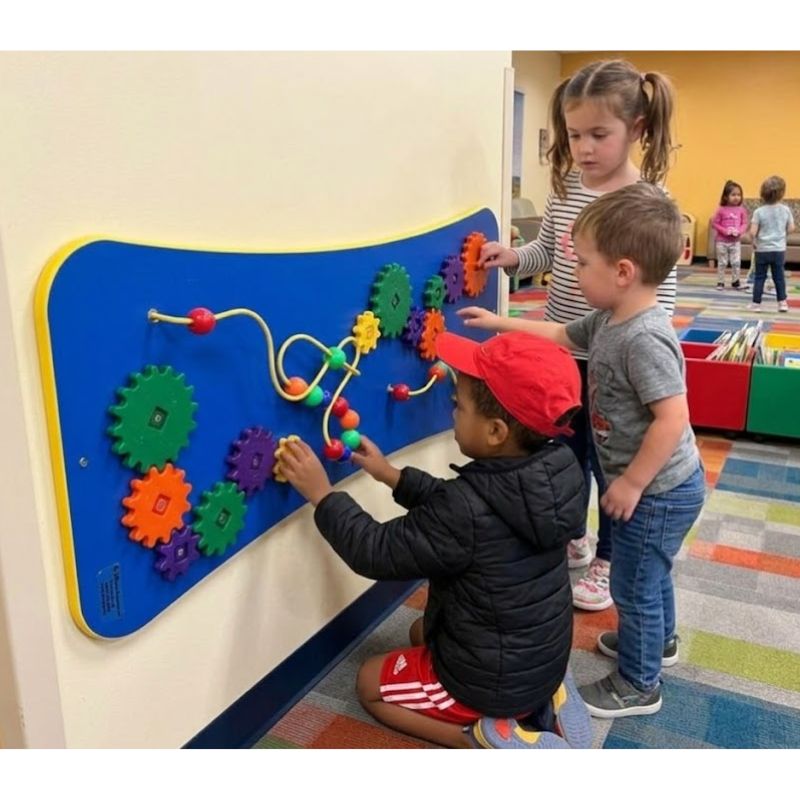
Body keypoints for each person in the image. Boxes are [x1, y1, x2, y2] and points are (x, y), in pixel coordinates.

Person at [459, 183, 705, 718]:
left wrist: (633, 481)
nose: (572, 273)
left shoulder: (644, 336)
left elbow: (674, 417)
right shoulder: (610, 319)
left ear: (622, 271)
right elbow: (559, 335)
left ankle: (640, 684)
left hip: (661, 487)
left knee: (633, 581)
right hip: (655, 483)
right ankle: (659, 643)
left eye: (583, 263)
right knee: (650, 571)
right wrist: (498, 324)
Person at [279, 331, 593, 748]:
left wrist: (321, 495)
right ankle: (540, 699)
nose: (452, 414)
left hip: (489, 682)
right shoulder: (554, 469)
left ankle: (483, 739)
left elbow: (375, 551)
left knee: (369, 682)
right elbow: (462, 509)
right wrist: (391, 475)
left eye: (457, 406)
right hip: (535, 655)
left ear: (497, 431)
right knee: (418, 630)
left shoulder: (468, 509)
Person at [478, 59, 678, 613]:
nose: (585, 147)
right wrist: (513, 257)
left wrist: (641, 350)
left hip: (616, 359)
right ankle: (575, 532)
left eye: (599, 134)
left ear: (636, 128)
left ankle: (612, 555)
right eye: (575, 134)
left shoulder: (648, 202)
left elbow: (664, 290)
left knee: (613, 458)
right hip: (562, 346)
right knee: (566, 451)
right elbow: (546, 253)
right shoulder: (566, 185)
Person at [748, 175, 795, 313]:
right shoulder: (785, 210)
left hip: (762, 250)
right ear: (781, 193)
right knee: (779, 277)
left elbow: (752, 232)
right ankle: (782, 303)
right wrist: (782, 234)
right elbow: (792, 228)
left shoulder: (759, 212)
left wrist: (754, 242)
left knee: (760, 277)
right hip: (779, 250)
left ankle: (756, 304)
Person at [711, 179, 748, 290]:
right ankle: (720, 282)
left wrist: (740, 231)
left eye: (738, 195)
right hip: (722, 242)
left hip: (735, 241)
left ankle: (735, 281)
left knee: (736, 262)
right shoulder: (721, 210)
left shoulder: (741, 210)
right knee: (722, 262)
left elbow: (745, 223)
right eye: (733, 195)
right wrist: (725, 231)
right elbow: (714, 223)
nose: (736, 197)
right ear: (726, 196)